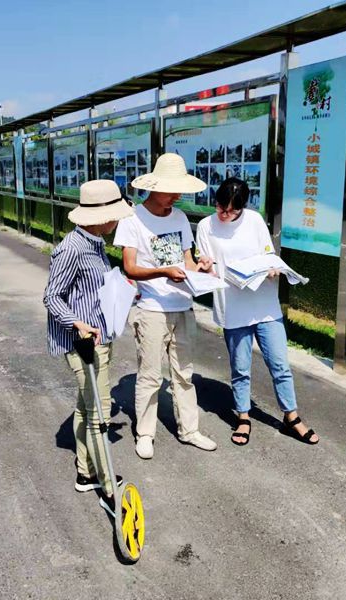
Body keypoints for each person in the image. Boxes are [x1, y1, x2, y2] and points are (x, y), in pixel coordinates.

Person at [195, 178, 319, 447]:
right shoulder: (206, 226)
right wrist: (204, 267)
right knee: (240, 368)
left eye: (232, 211)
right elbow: (207, 265)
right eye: (220, 207)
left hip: (265, 306)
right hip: (232, 306)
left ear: (243, 207)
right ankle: (243, 417)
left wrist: (273, 269)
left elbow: (268, 254)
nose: (224, 214)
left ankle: (291, 417)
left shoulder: (254, 221)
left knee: (280, 365)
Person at [113, 153, 218, 459]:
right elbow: (130, 267)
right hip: (151, 308)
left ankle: (189, 430)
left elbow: (187, 263)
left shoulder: (180, 218)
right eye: (172, 190)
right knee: (150, 375)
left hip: (183, 305)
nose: (177, 196)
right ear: (155, 187)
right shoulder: (132, 219)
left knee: (184, 373)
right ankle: (145, 433)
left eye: (180, 190)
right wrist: (162, 272)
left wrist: (201, 267)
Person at [43, 179, 134, 517]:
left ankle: (86, 472)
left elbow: (90, 289)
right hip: (84, 344)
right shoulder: (73, 248)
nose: (118, 220)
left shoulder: (93, 242)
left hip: (99, 339)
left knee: (86, 408)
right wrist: (77, 324)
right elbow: (52, 296)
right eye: (116, 215)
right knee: (100, 415)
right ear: (102, 217)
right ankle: (109, 488)